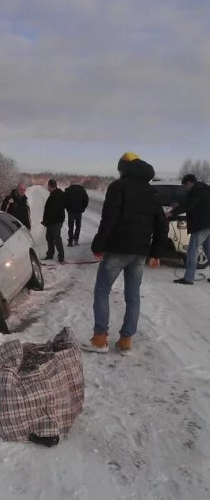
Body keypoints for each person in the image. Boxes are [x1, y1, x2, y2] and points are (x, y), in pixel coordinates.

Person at [83, 152, 168, 355]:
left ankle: (100, 339)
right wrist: (155, 253)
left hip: (117, 251)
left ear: (123, 168)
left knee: (102, 291)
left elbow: (109, 219)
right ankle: (125, 342)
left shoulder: (118, 187)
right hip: (139, 253)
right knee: (133, 296)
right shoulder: (153, 193)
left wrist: (98, 246)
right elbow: (162, 225)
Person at [167, 174, 210, 285]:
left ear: (189, 182)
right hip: (207, 224)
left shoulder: (197, 190)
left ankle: (188, 278)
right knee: (208, 249)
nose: (186, 188)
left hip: (201, 224)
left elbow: (190, 205)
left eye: (186, 186)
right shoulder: (205, 189)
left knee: (192, 250)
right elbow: (194, 204)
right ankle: (189, 277)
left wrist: (172, 212)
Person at [41, 179, 65, 263]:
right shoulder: (55, 194)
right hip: (52, 221)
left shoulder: (58, 195)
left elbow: (54, 211)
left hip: (56, 221)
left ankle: (61, 256)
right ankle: (50, 254)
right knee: (49, 237)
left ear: (49, 186)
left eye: (48, 186)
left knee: (56, 238)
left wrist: (47, 220)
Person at [64, 181, 89, 246]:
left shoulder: (68, 190)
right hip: (79, 211)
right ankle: (76, 240)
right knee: (78, 226)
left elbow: (64, 200)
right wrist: (83, 208)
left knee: (71, 226)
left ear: (71, 184)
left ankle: (70, 241)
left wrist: (67, 208)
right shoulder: (82, 190)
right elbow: (86, 200)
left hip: (70, 211)